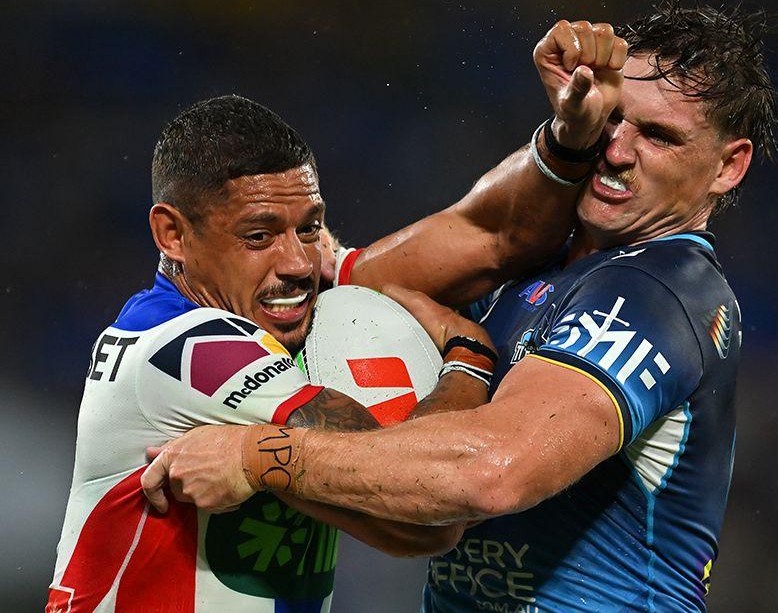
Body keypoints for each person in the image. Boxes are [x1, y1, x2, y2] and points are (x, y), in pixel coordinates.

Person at [141, 1, 778, 612]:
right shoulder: (549, 257)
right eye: (615, 118)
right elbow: (359, 276)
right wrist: (566, 134)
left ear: (728, 166)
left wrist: (259, 457)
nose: (616, 151)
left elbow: (491, 471)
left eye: (660, 136)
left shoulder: (659, 293)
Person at [47, 70, 604, 613]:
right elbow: (421, 516)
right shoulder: (195, 347)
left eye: (309, 226)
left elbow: (488, 236)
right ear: (174, 234)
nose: (297, 263)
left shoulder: (254, 299)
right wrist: (469, 359)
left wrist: (567, 141)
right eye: (259, 235)